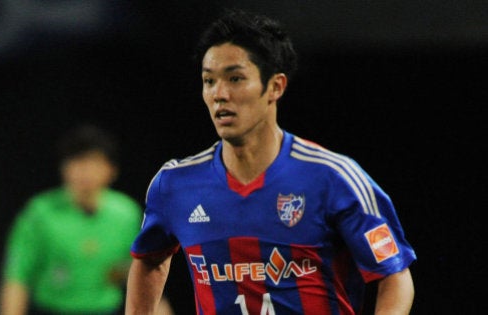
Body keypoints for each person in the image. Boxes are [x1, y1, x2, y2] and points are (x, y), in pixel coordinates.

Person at [125, 9, 416, 315]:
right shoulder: (175, 184)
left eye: (235, 78)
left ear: (275, 86)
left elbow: (394, 277)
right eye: (209, 81)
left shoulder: (333, 178)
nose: (219, 94)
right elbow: (149, 260)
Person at [0, 124, 144, 315]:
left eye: (94, 162)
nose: (85, 171)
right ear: (64, 168)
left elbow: (143, 276)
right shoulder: (39, 214)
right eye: (77, 162)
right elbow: (17, 278)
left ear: (111, 169)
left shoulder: (126, 214)